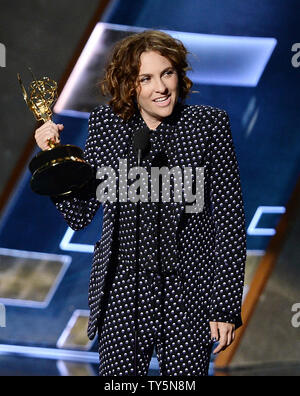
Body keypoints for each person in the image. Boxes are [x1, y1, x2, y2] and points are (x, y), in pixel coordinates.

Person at [34, 30, 247, 376]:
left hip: (187, 294)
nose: (160, 88)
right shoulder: (107, 125)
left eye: (167, 73)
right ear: (129, 84)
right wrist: (55, 161)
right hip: (122, 292)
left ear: (179, 74)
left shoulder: (208, 125)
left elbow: (229, 222)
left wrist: (223, 306)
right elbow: (80, 213)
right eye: (145, 78)